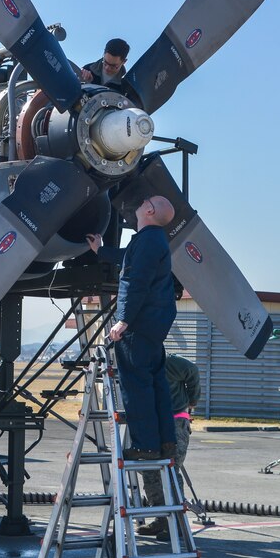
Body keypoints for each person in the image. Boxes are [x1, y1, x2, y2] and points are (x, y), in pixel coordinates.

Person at [86, 195, 177, 462]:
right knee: (157, 383)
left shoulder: (148, 241)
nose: (139, 200)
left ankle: (146, 446)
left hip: (138, 325)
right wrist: (101, 250)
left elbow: (135, 281)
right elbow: (129, 258)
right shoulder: (152, 240)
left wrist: (123, 320)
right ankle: (166, 442)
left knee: (136, 385)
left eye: (144, 200)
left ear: (148, 209)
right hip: (154, 325)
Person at [137, 354, 200, 539]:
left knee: (170, 470)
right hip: (153, 424)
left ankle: (178, 524)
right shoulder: (141, 364)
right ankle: (163, 520)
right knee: (150, 473)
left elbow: (192, 371)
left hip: (175, 422)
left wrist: (192, 401)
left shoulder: (170, 362)